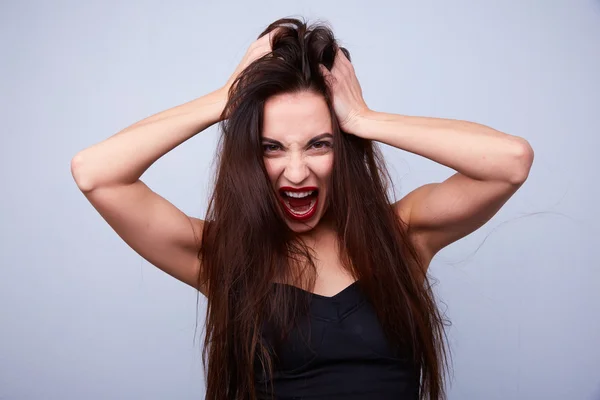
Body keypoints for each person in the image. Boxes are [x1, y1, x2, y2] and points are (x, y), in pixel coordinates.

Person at [71, 17, 534, 400]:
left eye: (318, 145)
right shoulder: (223, 256)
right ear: (251, 158)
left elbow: (509, 163)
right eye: (273, 148)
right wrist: (223, 99)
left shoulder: (404, 234)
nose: (296, 172)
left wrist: (363, 119)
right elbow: (96, 172)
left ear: (345, 150)